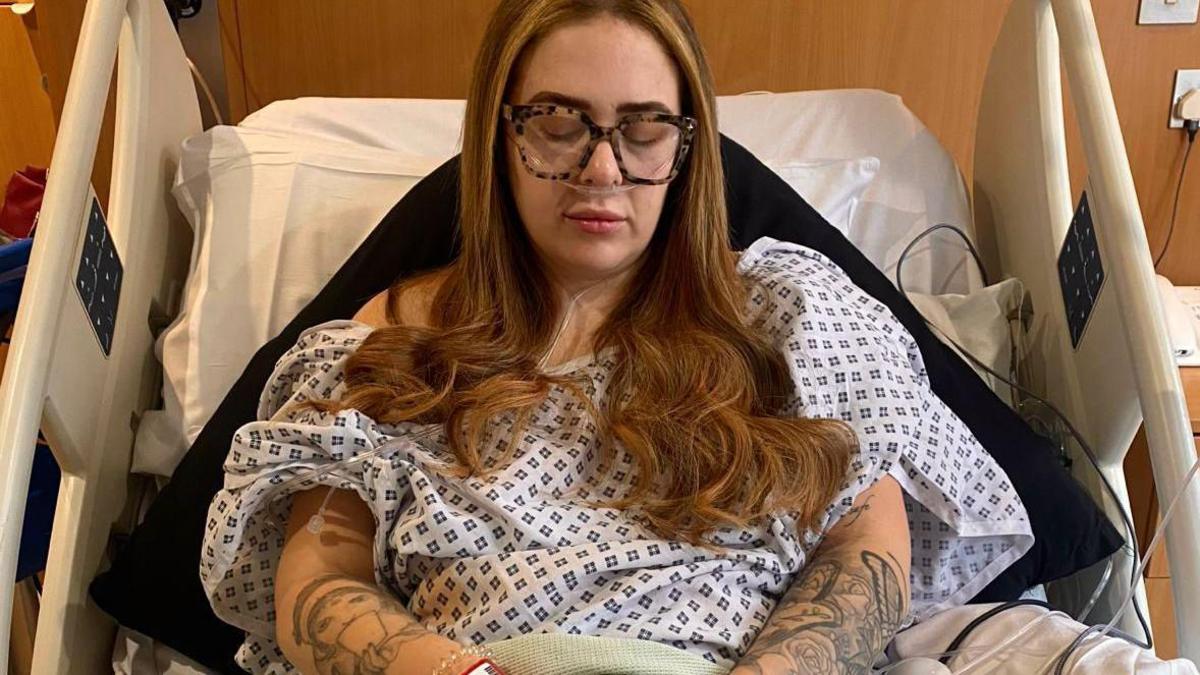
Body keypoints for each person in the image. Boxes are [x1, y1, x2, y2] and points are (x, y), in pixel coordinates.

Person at [200, 1, 1033, 673]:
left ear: (686, 149)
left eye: (643, 130)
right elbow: (318, 581)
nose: (603, 169)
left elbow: (865, 549)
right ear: (502, 132)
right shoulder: (386, 344)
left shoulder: (787, 315)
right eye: (561, 123)